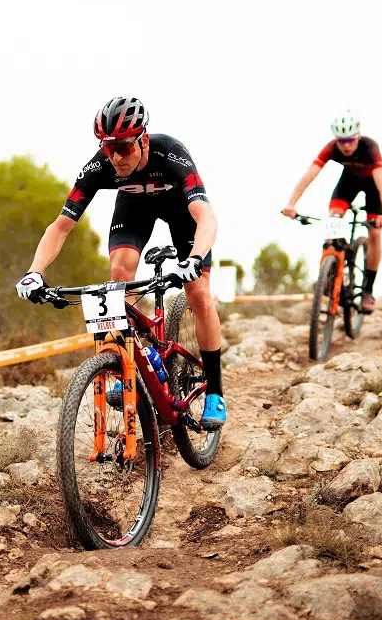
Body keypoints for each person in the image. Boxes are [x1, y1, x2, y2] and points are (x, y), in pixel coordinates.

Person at [15, 97, 226, 429]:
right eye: (108, 147)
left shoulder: (170, 153)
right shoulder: (101, 165)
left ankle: (215, 391)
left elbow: (206, 216)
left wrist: (195, 259)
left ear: (143, 139)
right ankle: (136, 360)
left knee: (198, 292)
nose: (115, 156)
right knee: (118, 275)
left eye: (124, 148)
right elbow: (61, 226)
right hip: (134, 208)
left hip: (181, 215)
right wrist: (33, 273)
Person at [280, 112, 382, 312]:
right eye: (341, 141)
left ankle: (367, 290)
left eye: (350, 140)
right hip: (347, 183)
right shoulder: (332, 148)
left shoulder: (370, 148)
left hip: (372, 187)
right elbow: (309, 176)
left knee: (374, 233)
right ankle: (327, 276)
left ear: (358, 136)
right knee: (333, 220)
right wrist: (291, 204)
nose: (346, 145)